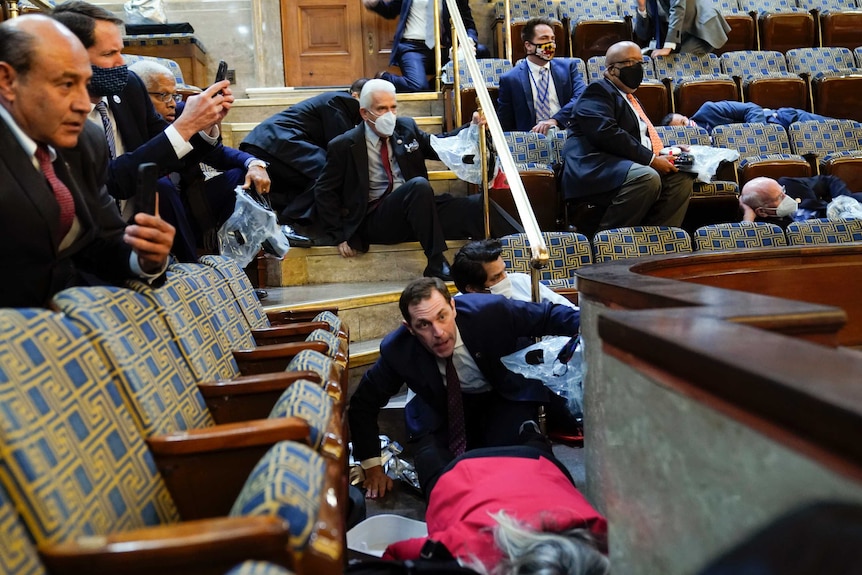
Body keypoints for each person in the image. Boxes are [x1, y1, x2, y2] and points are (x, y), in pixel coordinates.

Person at [348, 276, 580, 499]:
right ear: (409, 328)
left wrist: (603, 327)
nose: (438, 333)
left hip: (500, 396)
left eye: (442, 317)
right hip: (440, 408)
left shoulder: (489, 311)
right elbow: (363, 403)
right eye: (424, 325)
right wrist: (372, 467)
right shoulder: (397, 350)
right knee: (437, 475)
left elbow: (548, 316)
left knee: (526, 460)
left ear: (453, 307)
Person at [0, 15, 175, 307]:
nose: (83, 104)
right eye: (66, 84)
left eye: (84, 84)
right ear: (7, 81)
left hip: (72, 323)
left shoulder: (85, 142)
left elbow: (102, 240)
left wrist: (143, 255)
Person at [52, 1, 233, 262]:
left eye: (121, 52)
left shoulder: (129, 87)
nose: (121, 63)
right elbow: (112, 182)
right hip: (82, 251)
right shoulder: (56, 114)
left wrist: (204, 124)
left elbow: (171, 153)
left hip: (135, 238)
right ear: (70, 57)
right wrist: (185, 125)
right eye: (108, 54)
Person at [312, 79, 515, 280]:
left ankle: (523, 250)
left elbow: (439, 146)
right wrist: (339, 235)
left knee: (478, 206)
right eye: (382, 109)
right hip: (378, 218)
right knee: (418, 186)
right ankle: (435, 261)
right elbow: (324, 191)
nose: (389, 115)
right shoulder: (344, 145)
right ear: (364, 113)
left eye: (393, 107)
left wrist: (471, 127)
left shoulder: (406, 128)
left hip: (419, 211)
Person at [383, 436, 608, 575]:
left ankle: (532, 434)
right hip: (462, 476)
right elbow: (395, 556)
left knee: (432, 454)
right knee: (428, 454)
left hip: (539, 467)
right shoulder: (466, 550)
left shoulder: (607, 538)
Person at [129, 59, 271, 247]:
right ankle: (189, 261)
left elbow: (219, 155)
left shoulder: (182, 111)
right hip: (154, 205)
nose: (171, 103)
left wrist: (254, 164)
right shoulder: (126, 121)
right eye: (163, 95)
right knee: (162, 186)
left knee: (244, 176)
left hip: (190, 199)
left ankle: (242, 244)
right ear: (137, 94)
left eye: (175, 95)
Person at [561, 41, 694, 230]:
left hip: (625, 164)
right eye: (632, 63)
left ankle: (659, 241)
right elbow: (606, 133)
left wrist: (664, 152)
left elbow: (638, 139)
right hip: (595, 167)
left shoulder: (630, 98)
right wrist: (651, 159)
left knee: (681, 176)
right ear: (613, 69)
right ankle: (610, 240)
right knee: (647, 177)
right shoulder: (597, 91)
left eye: (641, 63)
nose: (638, 68)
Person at [240, 80, 366, 223]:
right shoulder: (343, 101)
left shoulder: (339, 102)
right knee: (331, 173)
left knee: (314, 182)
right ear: (356, 95)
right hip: (277, 141)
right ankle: (290, 221)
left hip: (270, 143)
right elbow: (341, 148)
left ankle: (275, 208)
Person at [363, 0, 488, 93]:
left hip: (443, 49)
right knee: (418, 86)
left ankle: (439, 84)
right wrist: (375, 4)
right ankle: (384, 78)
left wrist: (468, 42)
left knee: (482, 52)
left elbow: (469, 24)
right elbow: (390, 11)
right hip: (412, 48)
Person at [496, 17, 587, 134]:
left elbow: (581, 96)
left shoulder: (568, 67)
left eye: (552, 39)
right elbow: (505, 122)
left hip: (567, 132)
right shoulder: (510, 79)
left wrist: (555, 120)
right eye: (544, 39)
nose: (550, 44)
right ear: (528, 45)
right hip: (531, 138)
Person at [451, 238, 577, 309]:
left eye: (504, 271)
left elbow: (570, 310)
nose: (505, 279)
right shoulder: (459, 310)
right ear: (472, 288)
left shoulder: (521, 281)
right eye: (496, 277)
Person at [740, 175, 862, 227]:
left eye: (783, 191)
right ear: (762, 212)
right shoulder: (770, 228)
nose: (786, 197)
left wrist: (846, 202)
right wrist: (748, 215)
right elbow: (745, 242)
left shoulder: (789, 184)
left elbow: (829, 180)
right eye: (779, 197)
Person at [633, 0, 730, 57]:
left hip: (700, 29)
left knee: (677, 60)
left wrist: (668, 47)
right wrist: (642, 8)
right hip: (678, 32)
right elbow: (643, 35)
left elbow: (677, 9)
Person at [662, 101, 833, 133]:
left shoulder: (709, 110)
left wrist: (755, 133)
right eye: (683, 129)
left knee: (849, 130)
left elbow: (752, 108)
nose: (688, 126)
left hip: (785, 120)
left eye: (684, 122)